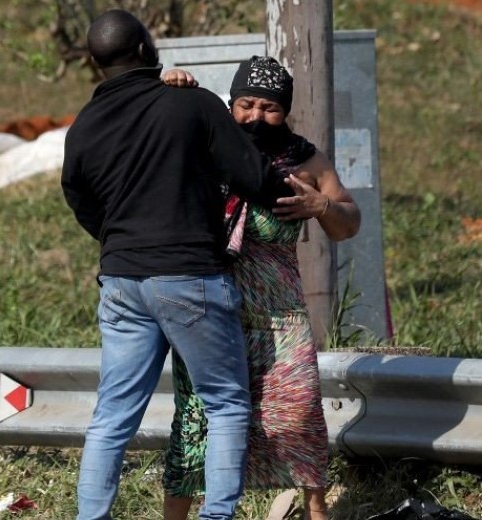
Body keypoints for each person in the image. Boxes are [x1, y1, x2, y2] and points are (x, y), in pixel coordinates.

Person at [61, 10, 296, 520]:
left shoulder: (83, 126)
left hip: (121, 281)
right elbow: (254, 177)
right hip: (189, 278)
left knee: (112, 416)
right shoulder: (191, 104)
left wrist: (118, 238)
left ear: (95, 63)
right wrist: (297, 191)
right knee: (227, 404)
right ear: (147, 48)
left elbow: (77, 197)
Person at [160, 57, 361, 520]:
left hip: (281, 316)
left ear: (285, 110)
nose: (254, 116)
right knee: (196, 424)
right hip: (209, 312)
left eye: (268, 107)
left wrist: (322, 204)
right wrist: (173, 85)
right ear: (230, 105)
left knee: (298, 417)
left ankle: (316, 511)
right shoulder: (208, 145)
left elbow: (349, 224)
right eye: (245, 104)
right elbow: (162, 125)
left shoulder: (306, 162)